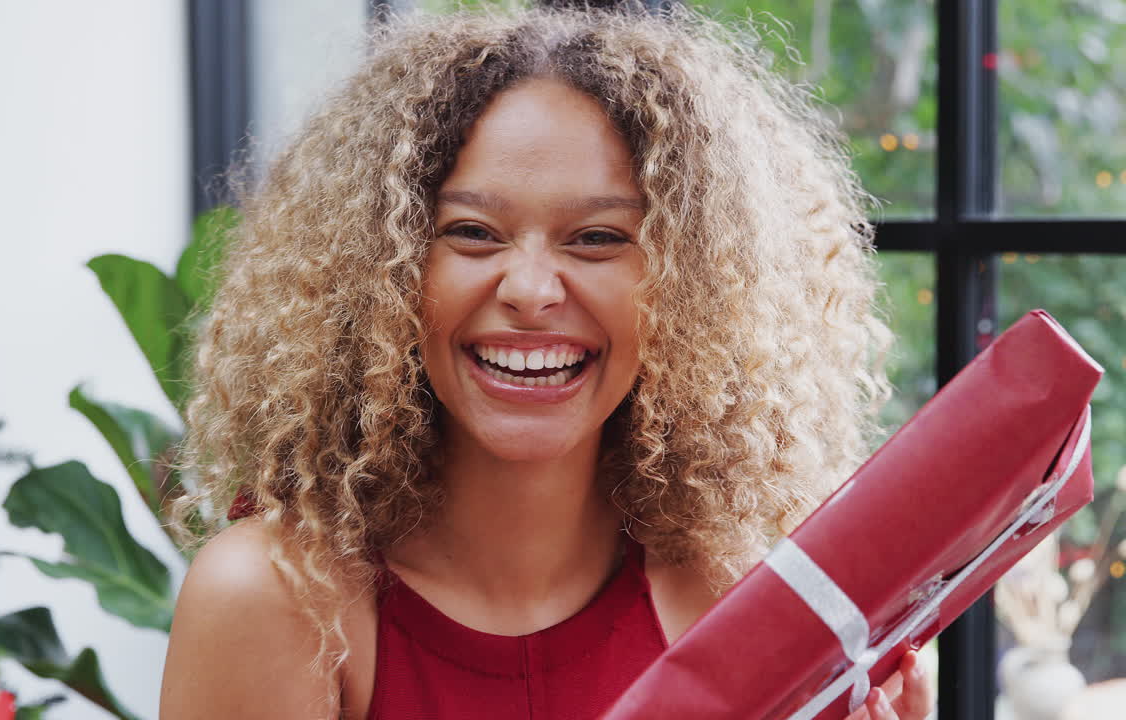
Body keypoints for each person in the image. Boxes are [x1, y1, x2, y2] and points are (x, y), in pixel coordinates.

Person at [159, 6, 933, 719]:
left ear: (696, 287)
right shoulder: (276, 600)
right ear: (379, 271)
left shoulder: (745, 589)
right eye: (472, 232)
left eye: (597, 238)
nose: (530, 290)